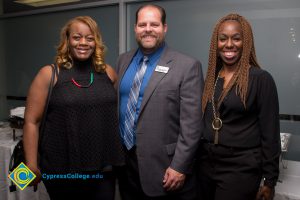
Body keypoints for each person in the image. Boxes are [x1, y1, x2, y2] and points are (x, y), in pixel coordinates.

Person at [23, 16, 124, 200]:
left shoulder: (108, 72)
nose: (83, 43)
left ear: (96, 41)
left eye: (89, 38)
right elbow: (31, 121)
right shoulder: (49, 74)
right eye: (77, 37)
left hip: (103, 168)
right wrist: (31, 164)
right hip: (63, 168)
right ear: (67, 41)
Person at [115, 4, 204, 200]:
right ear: (135, 29)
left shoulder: (187, 66)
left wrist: (179, 166)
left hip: (165, 167)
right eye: (142, 24)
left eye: (154, 24)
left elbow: (192, 125)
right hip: (125, 164)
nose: (148, 29)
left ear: (164, 27)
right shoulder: (123, 61)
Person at [197, 13, 281, 200]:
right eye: (223, 39)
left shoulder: (261, 79)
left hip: (241, 167)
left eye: (236, 38)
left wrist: (269, 181)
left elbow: (270, 134)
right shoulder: (211, 78)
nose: (229, 45)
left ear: (246, 42)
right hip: (205, 164)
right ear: (215, 43)